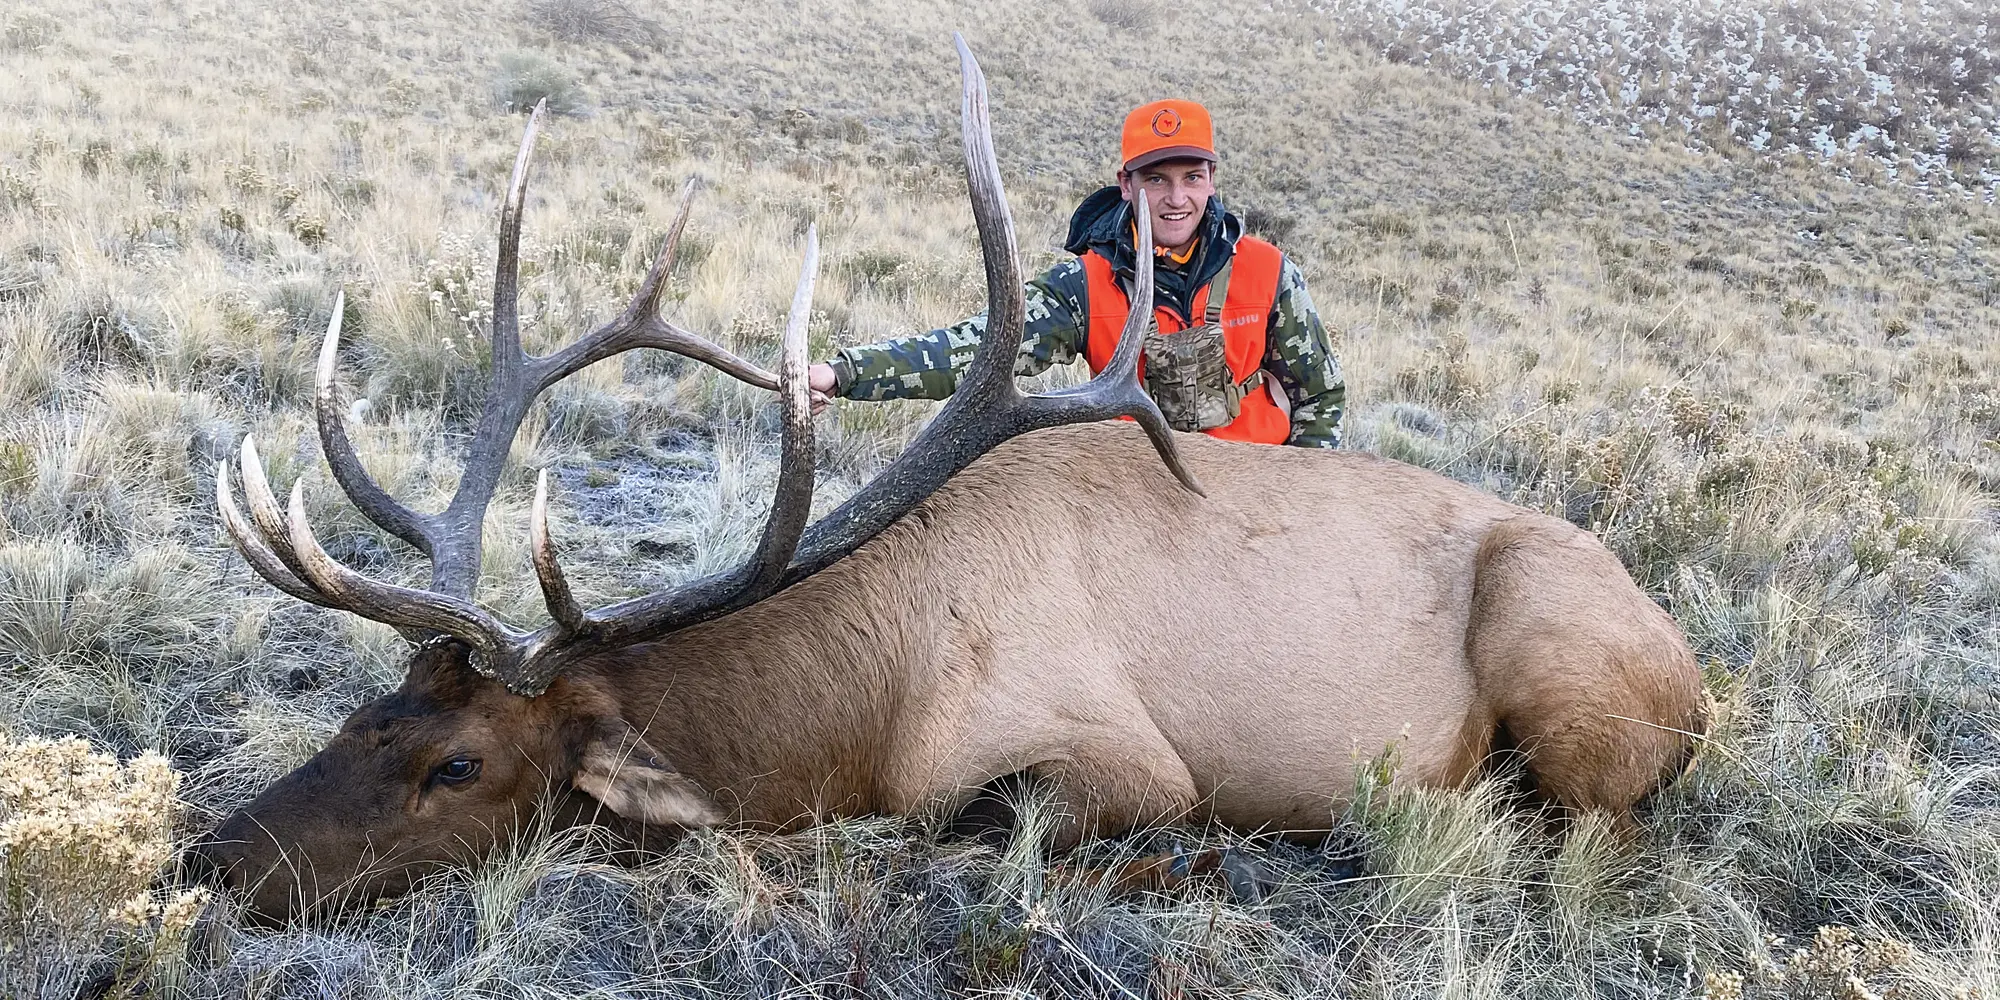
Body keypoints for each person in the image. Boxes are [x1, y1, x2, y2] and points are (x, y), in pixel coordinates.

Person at [806, 99, 1345, 448]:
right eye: (1156, 179)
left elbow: (1321, 398)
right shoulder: (1084, 286)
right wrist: (844, 373)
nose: (1177, 199)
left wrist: (1302, 495)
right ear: (1126, 184)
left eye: (1191, 177)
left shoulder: (1269, 272)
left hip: (1257, 491)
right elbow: (974, 349)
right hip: (1136, 497)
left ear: (1211, 180)